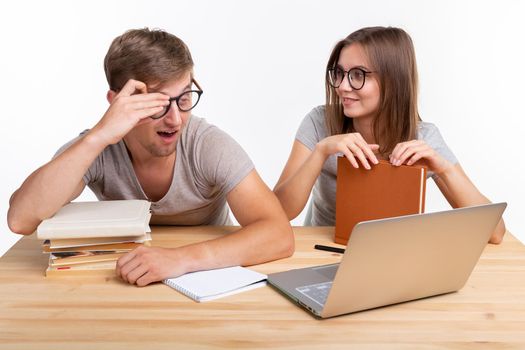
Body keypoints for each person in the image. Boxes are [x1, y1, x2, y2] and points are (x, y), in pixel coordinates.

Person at [7, 28, 294, 285]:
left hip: (204, 277)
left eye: (183, 100)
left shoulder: (207, 145)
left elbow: (278, 235)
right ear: (117, 101)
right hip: (123, 277)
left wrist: (180, 259)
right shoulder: (97, 146)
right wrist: (99, 136)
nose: (175, 120)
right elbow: (20, 220)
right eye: (156, 104)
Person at [274, 26, 506, 244]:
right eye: (339, 73)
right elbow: (278, 214)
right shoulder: (319, 122)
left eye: (357, 75)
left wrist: (444, 169)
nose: (343, 86)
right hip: (323, 250)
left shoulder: (423, 137)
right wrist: (321, 151)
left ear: (392, 81)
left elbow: (495, 232)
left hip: (392, 255)